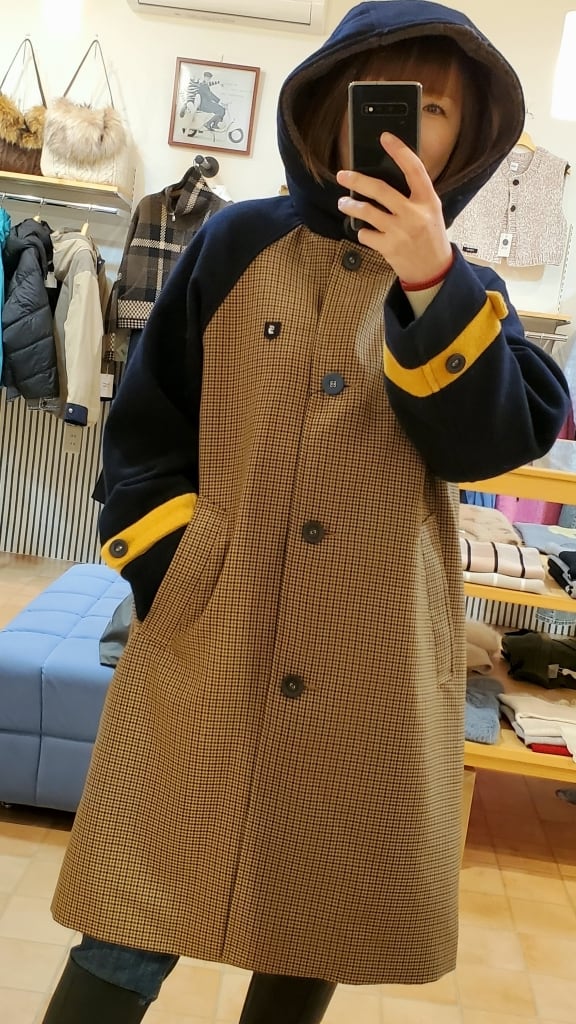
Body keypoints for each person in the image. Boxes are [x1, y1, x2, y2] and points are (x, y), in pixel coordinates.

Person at [41, 2, 570, 1022]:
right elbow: (147, 426)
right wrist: (171, 568)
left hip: (372, 656)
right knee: (132, 905)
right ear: (329, 105)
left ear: (470, 139)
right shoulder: (236, 240)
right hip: (211, 634)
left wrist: (431, 279)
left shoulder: (471, 291)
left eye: (437, 110)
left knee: (316, 912)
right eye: (384, 96)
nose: (405, 124)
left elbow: (488, 438)